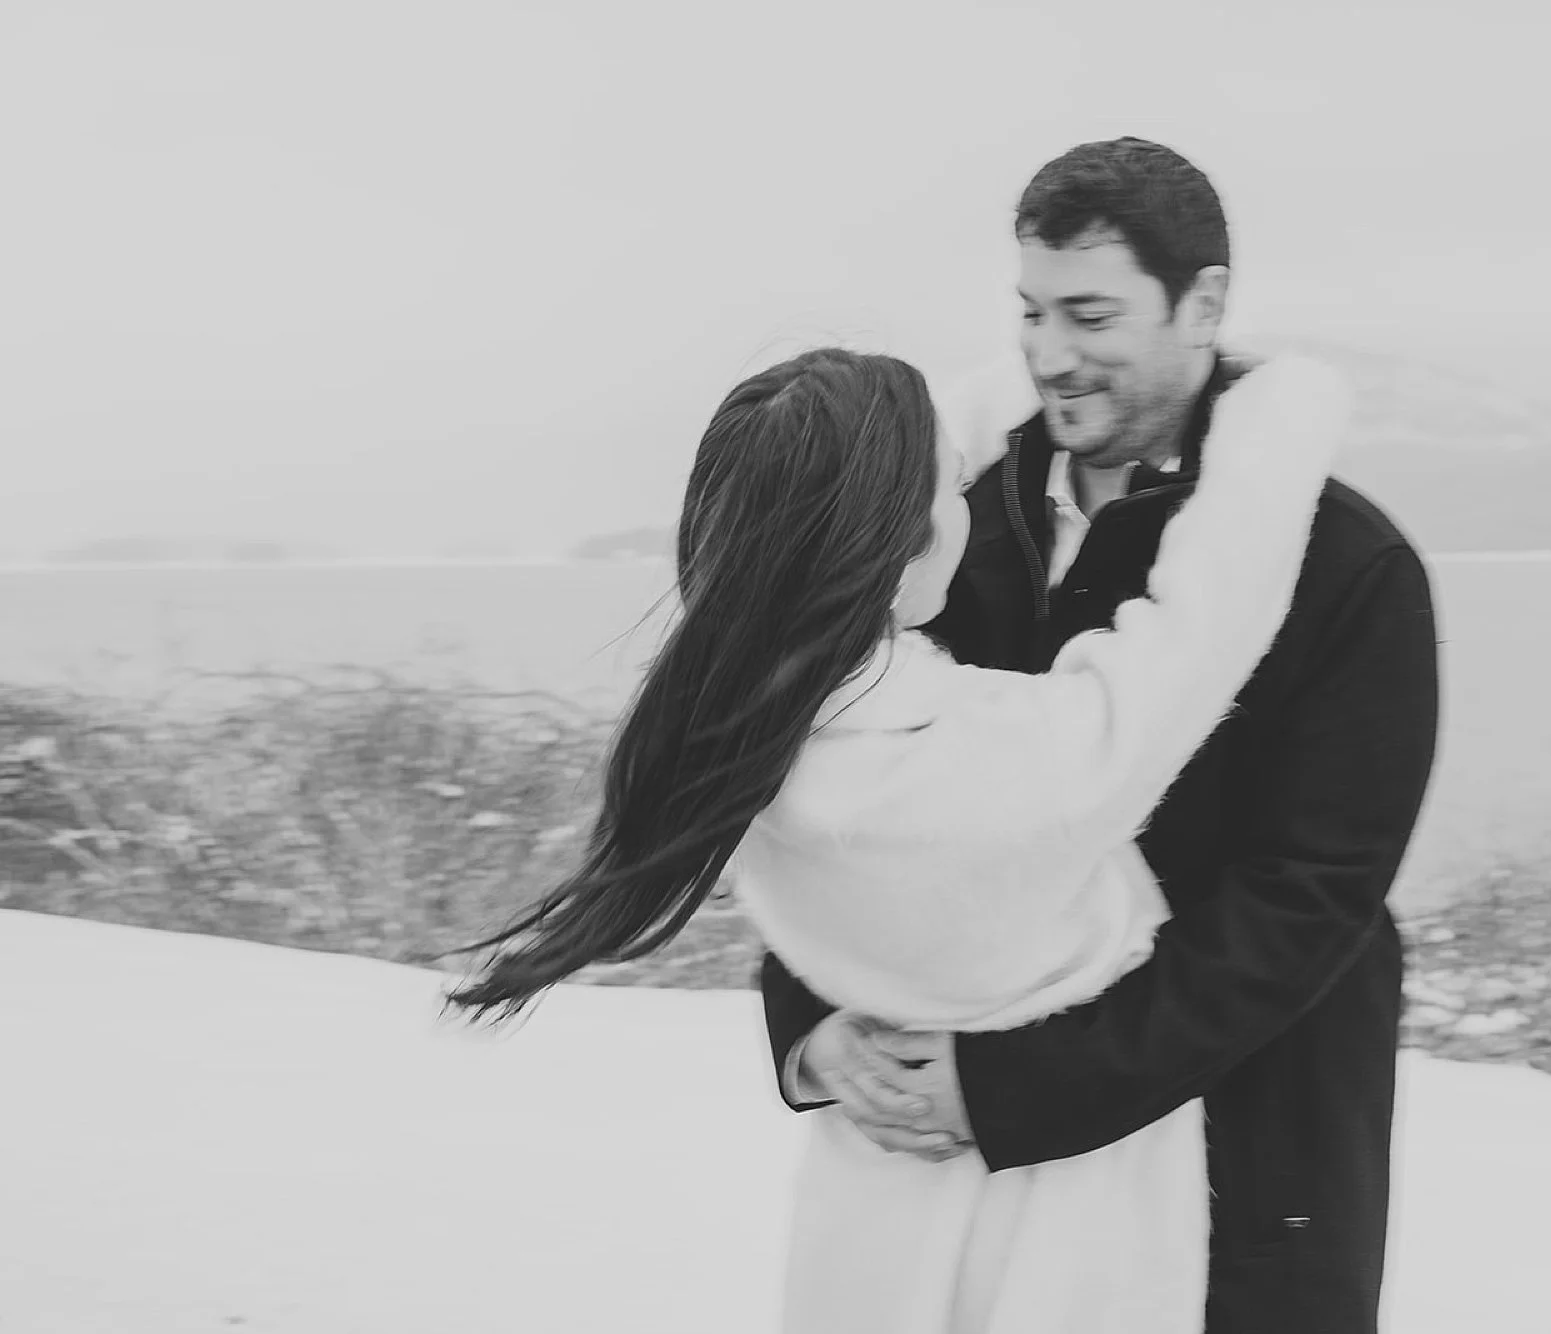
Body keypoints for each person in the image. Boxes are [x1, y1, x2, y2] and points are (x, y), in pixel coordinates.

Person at [445, 342, 1354, 1332]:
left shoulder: (729, 747)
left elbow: (828, 487)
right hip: (1061, 1221)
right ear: (911, 545)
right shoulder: (1008, 766)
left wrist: (1011, 377)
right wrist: (1285, 401)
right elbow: (1210, 611)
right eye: (944, 491)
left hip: (873, 1197)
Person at [760, 137, 1441, 1332]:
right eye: (1027, 310)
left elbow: (1309, 899)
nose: (1045, 354)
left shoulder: (1349, 567)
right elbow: (842, 780)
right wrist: (814, 1028)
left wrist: (1019, 1085)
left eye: (1088, 314)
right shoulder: (941, 525)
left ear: (1203, 305)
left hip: (1251, 1152)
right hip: (941, 1164)